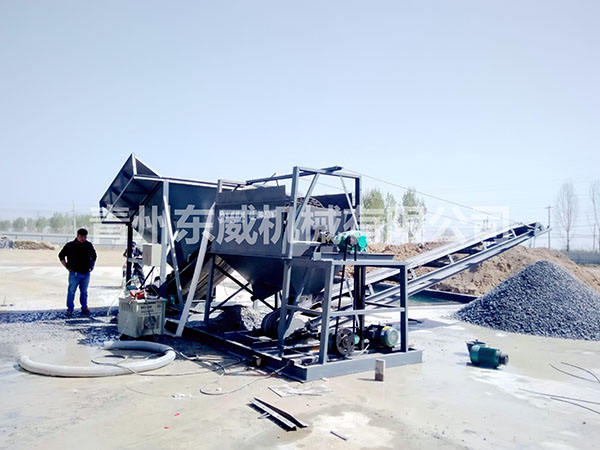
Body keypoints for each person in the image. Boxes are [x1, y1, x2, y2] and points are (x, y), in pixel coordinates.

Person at [58, 228, 97, 317]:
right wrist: (66, 266)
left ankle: (84, 307)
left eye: (85, 237)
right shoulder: (70, 245)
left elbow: (94, 256)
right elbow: (61, 255)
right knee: (71, 291)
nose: (83, 239)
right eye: (81, 237)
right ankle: (70, 309)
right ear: (77, 236)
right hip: (74, 274)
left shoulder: (88, 245)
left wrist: (92, 266)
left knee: (84, 292)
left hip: (86, 274)